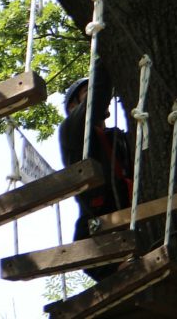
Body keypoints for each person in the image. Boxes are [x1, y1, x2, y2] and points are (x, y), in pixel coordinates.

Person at [58, 65, 133, 281]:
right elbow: (98, 96)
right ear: (74, 106)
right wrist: (105, 54)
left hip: (133, 215)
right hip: (100, 228)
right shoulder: (71, 131)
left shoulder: (117, 137)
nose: (103, 97)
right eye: (85, 92)